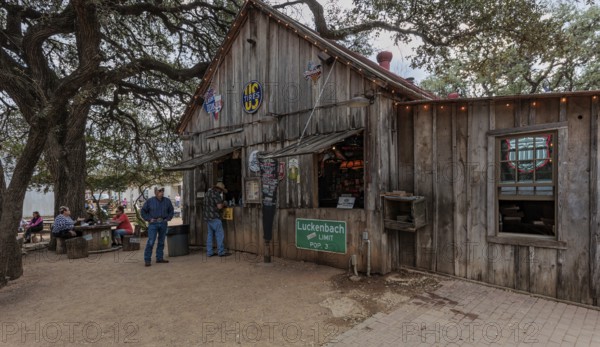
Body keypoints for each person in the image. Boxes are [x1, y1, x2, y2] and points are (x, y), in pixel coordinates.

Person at [141, 187, 174, 267]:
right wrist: (148, 219)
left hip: (163, 222)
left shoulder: (167, 201)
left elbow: (171, 211)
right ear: (155, 192)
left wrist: (168, 219)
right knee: (151, 241)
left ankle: (159, 258)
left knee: (161, 241)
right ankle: (147, 260)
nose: (161, 192)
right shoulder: (150, 201)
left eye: (162, 191)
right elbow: (143, 211)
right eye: (160, 191)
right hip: (153, 223)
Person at [204, 182, 231, 257]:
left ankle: (209, 252)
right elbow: (219, 207)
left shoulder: (207, 193)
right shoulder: (216, 194)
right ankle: (221, 252)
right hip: (215, 217)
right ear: (219, 189)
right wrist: (224, 204)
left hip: (207, 217)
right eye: (221, 191)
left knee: (210, 235)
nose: (221, 192)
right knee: (219, 235)